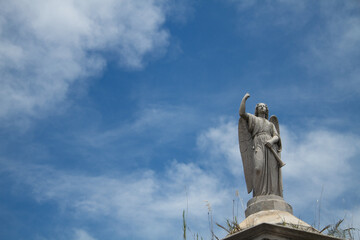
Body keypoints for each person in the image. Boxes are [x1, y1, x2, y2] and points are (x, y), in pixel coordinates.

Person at [238, 93, 283, 197]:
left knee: (272, 171)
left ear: (266, 110)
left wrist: (271, 141)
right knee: (258, 168)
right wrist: (244, 99)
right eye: (260, 106)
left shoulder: (270, 124)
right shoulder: (253, 119)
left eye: (264, 106)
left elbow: (277, 136)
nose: (262, 107)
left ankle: (272, 193)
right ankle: (258, 194)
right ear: (257, 109)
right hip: (258, 144)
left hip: (270, 146)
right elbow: (242, 113)